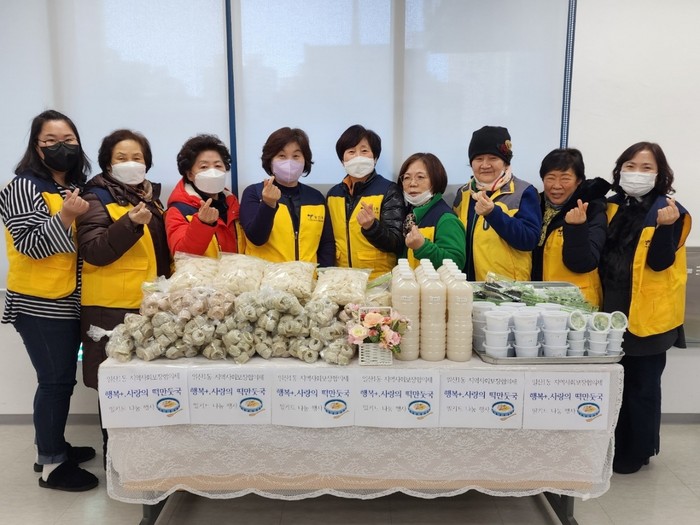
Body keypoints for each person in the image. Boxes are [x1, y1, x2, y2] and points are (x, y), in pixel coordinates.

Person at [0, 110, 98, 491]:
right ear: (37, 147)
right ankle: (54, 467)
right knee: (55, 382)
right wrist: (66, 217)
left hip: (66, 300)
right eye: (52, 141)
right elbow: (29, 244)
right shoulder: (22, 187)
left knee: (61, 380)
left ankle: (51, 448)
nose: (62, 147)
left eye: (69, 140)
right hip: (38, 303)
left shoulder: (69, 187)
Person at [76, 129, 171, 459]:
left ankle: (145, 460)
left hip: (148, 306)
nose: (131, 163)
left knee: (144, 386)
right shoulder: (94, 198)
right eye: (122, 158)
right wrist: (129, 223)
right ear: (107, 163)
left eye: (137, 158)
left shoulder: (150, 199)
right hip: (110, 309)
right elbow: (94, 251)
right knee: (114, 389)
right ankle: (116, 461)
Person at [600, 142, 691, 474]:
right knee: (613, 385)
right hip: (610, 312)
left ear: (660, 174)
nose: (636, 173)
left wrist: (665, 228)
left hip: (649, 315)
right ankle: (612, 446)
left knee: (642, 387)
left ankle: (637, 452)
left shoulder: (670, 211)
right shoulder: (611, 207)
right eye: (630, 166)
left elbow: (660, 262)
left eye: (646, 167)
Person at [453, 126, 541, 281]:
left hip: (507, 288)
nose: (485, 165)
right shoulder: (464, 193)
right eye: (479, 159)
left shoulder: (523, 192)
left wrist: (493, 214)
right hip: (468, 285)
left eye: (493, 158)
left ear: (506, 163)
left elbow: (529, 239)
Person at [239, 127, 334, 265]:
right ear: (270, 160)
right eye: (282, 156)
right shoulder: (254, 192)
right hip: (266, 277)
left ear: (305, 160)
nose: (289, 162)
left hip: (306, 277)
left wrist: (323, 275)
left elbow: (326, 244)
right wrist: (268, 204)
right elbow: (256, 238)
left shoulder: (316, 197)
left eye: (296, 156)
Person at [531, 148, 610, 308]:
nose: (556, 186)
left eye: (565, 179)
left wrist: (576, 228)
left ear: (578, 180)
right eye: (550, 178)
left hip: (578, 305)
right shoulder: (534, 206)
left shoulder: (592, 209)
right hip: (539, 302)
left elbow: (584, 263)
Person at [326, 124, 406, 278]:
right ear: (342, 160)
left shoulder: (388, 190)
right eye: (351, 152)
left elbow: (396, 242)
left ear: (375, 158)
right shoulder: (333, 194)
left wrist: (372, 227)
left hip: (378, 279)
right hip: (342, 279)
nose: (358, 157)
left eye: (364, 151)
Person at [166, 134, 241, 257]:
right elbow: (181, 255)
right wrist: (202, 224)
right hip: (202, 270)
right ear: (190, 175)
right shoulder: (179, 210)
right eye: (204, 167)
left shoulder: (232, 204)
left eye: (218, 166)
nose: (213, 172)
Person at [398, 152, 466, 269]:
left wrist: (422, 247)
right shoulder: (408, 215)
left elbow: (456, 263)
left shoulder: (446, 219)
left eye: (420, 177)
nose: (412, 183)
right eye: (407, 178)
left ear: (436, 180)